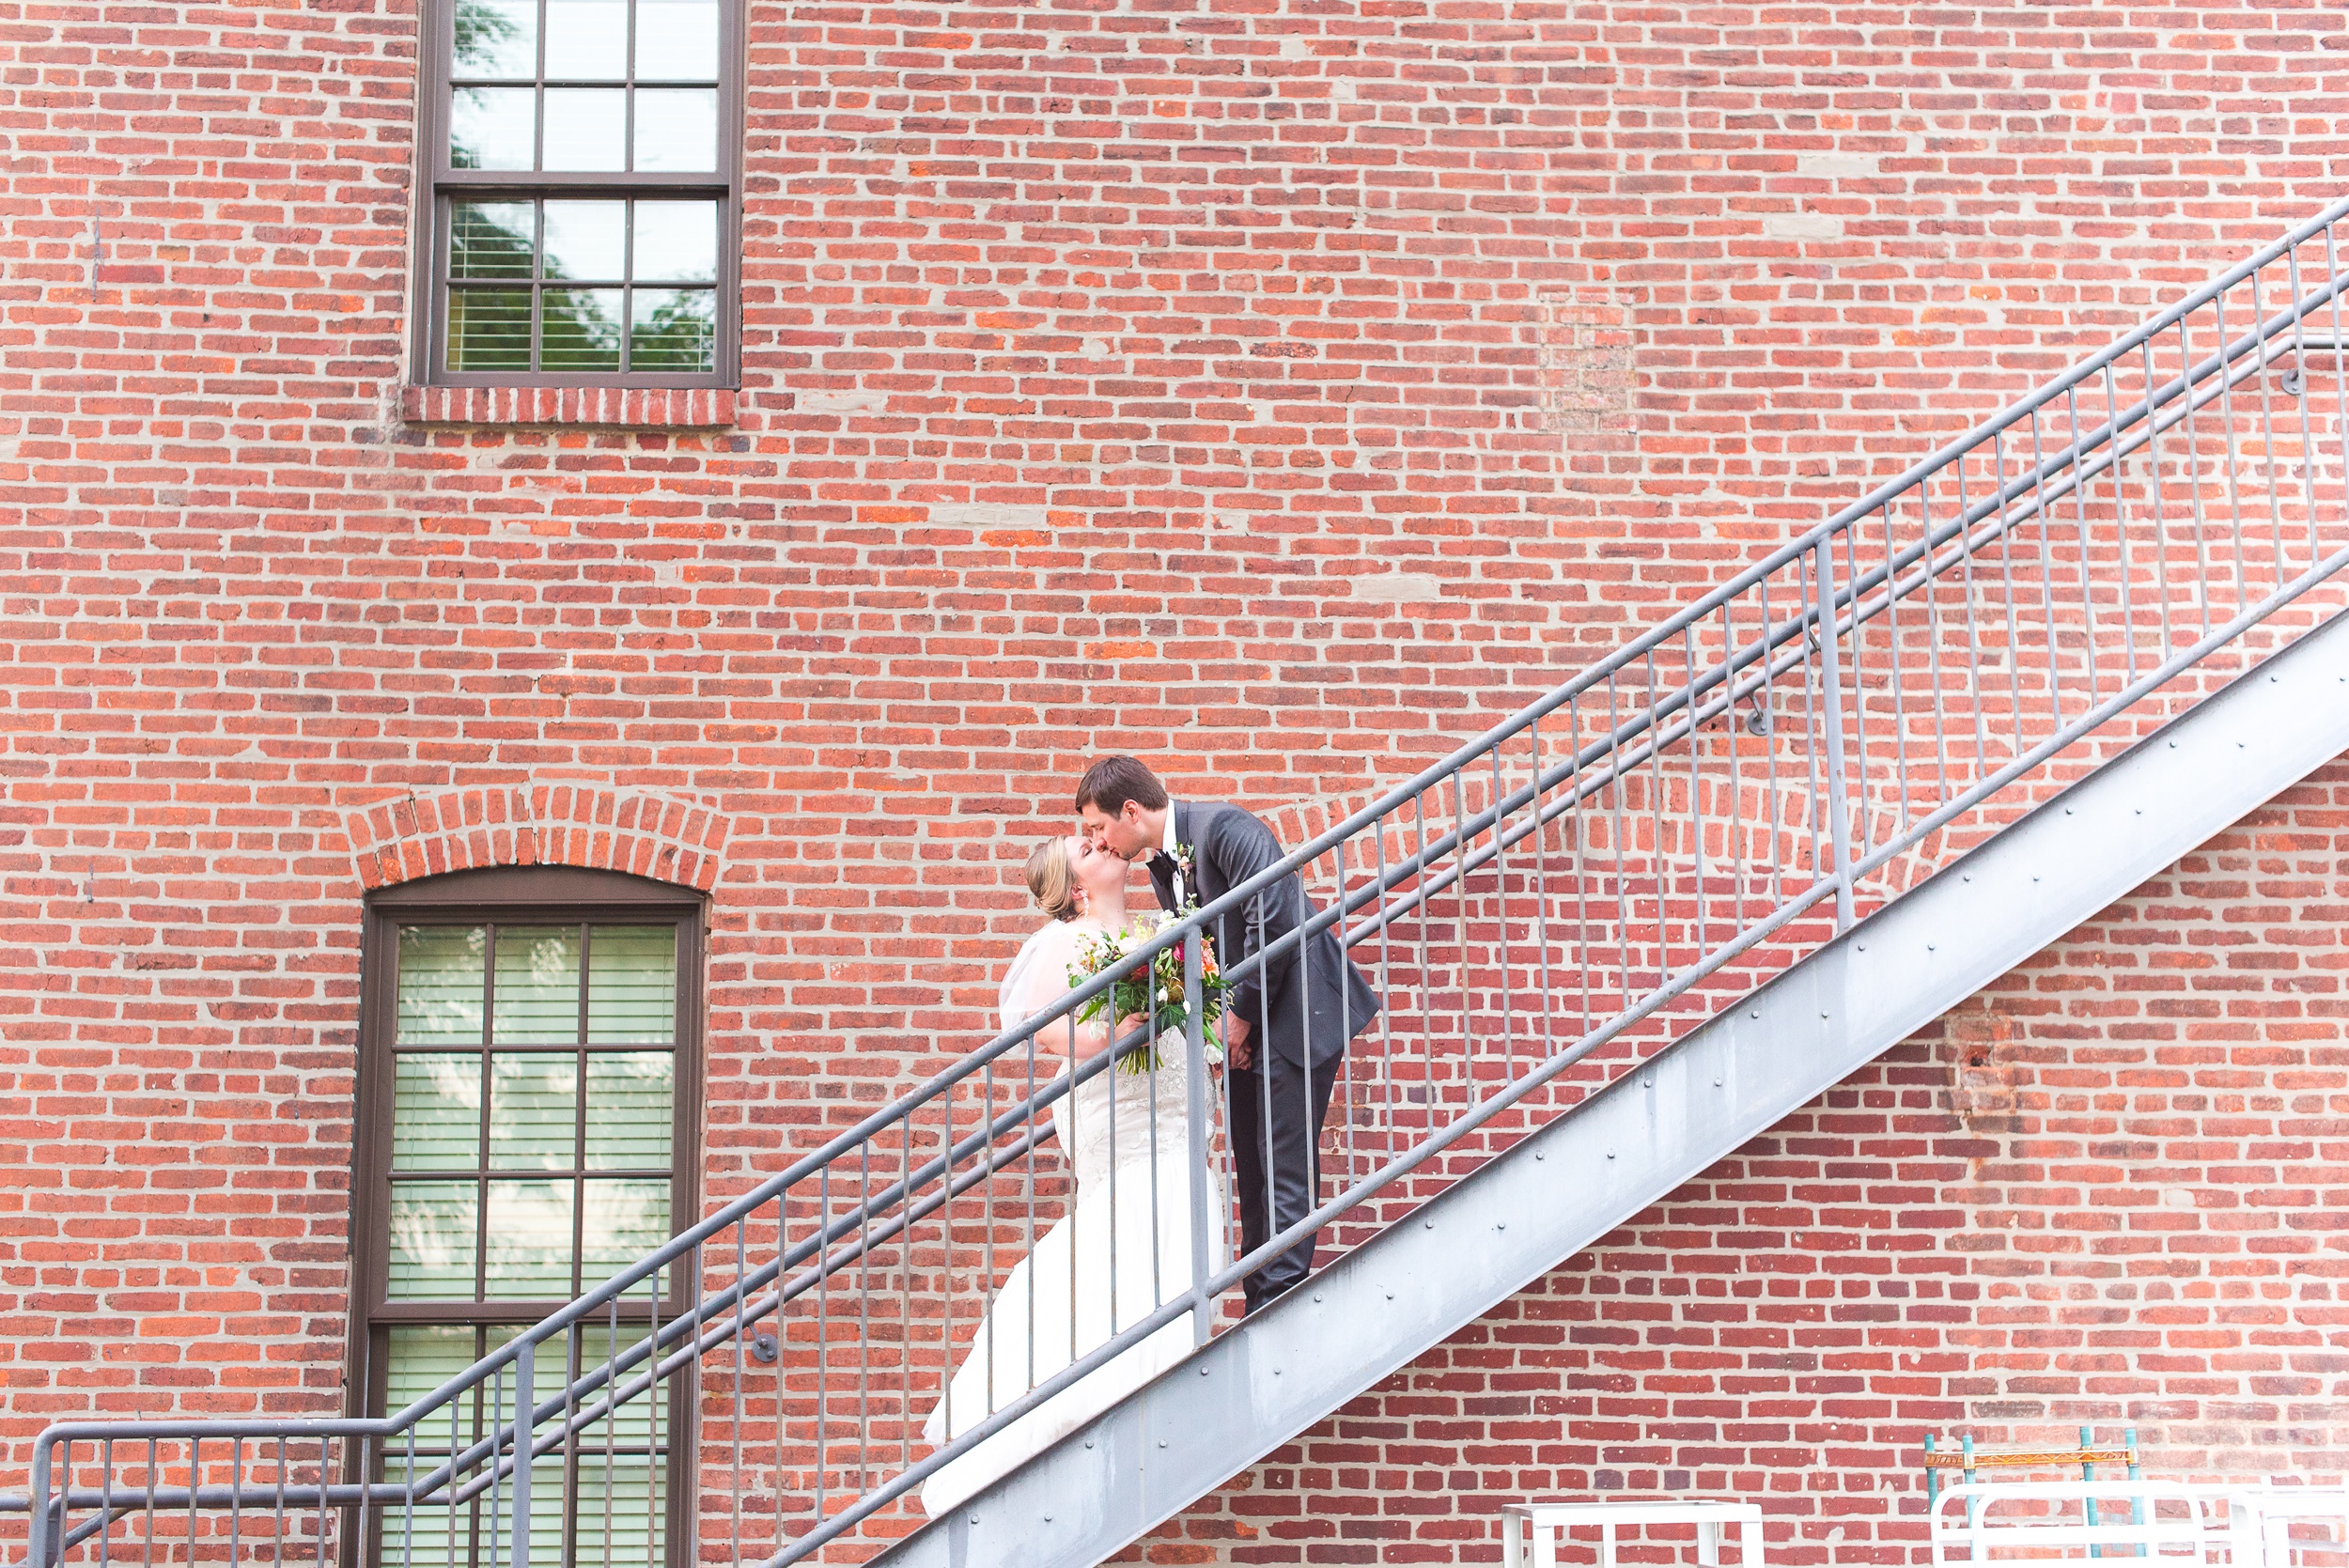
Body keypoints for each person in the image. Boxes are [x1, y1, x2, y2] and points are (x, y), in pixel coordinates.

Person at [919, 834, 1227, 1516]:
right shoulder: (1070, 936)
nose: (1102, 844)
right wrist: (1124, 1029)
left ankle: (1149, 1374)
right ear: (1076, 883)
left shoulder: (1158, 927)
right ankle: (1091, 1387)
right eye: (1085, 847)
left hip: (1175, 1099)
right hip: (1117, 1104)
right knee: (1136, 1209)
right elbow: (1044, 1028)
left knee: (1178, 1204)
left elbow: (1194, 999)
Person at [1076, 756, 1381, 1316]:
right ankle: (1261, 1292)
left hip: (1297, 1013)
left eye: (1098, 827)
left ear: (1130, 810)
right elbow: (1208, 953)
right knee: (1252, 1160)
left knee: (1284, 1165)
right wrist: (1222, 1028)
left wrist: (1238, 1017)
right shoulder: (1163, 867)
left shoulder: (1225, 829)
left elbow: (1277, 920)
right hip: (1250, 1025)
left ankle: (1280, 1300)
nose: (1098, 840)